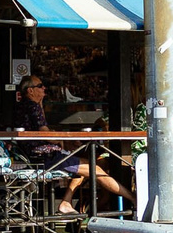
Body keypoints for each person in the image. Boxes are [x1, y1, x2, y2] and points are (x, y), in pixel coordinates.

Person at [15, 74, 124, 216]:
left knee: (86, 165)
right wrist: (62, 140)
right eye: (40, 86)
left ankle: (66, 202)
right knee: (95, 168)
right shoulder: (32, 106)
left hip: (34, 157)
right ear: (30, 90)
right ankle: (132, 199)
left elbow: (41, 130)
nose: (44, 88)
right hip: (46, 158)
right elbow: (45, 134)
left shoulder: (23, 106)